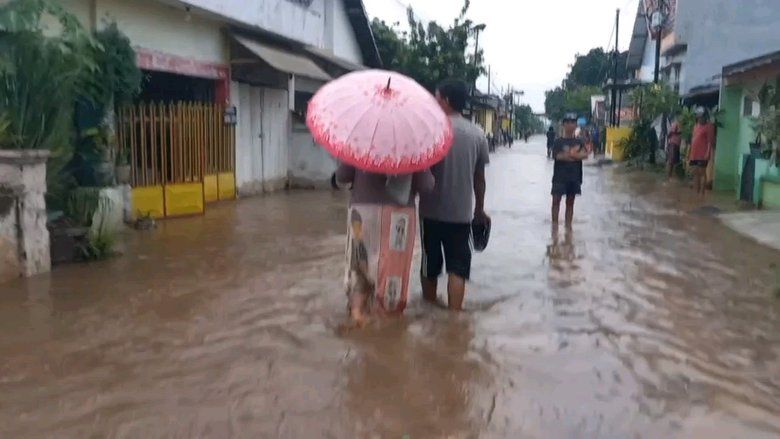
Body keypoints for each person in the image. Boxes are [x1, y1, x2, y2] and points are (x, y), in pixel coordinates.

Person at [419, 79, 490, 311]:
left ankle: (428, 312)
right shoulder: (477, 135)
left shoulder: (429, 131)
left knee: (429, 265)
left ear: (447, 101)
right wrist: (479, 210)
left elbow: (419, 171)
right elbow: (479, 179)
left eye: (437, 97)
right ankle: (454, 320)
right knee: (457, 268)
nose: (434, 101)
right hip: (461, 215)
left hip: (430, 212)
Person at [335, 163, 434, 327]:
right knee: (392, 269)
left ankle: (357, 313)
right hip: (398, 215)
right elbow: (426, 185)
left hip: (362, 211)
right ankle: (386, 319)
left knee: (359, 262)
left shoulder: (361, 142)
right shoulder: (411, 147)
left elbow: (342, 176)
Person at [551, 113, 591, 226]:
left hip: (574, 177)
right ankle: (554, 227)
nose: (570, 124)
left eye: (572, 122)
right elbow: (557, 156)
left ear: (575, 124)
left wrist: (569, 154)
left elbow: (585, 155)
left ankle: (568, 227)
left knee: (570, 203)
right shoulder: (558, 142)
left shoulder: (579, 142)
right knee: (555, 201)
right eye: (567, 122)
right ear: (563, 125)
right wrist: (574, 154)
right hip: (559, 177)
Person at [689, 107, 716, 195]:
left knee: (702, 173)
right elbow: (693, 139)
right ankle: (696, 192)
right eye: (698, 117)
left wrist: (707, 153)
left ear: (705, 117)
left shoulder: (709, 127)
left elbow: (710, 142)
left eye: (701, 117)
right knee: (695, 172)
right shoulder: (696, 126)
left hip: (702, 153)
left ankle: (702, 193)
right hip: (694, 153)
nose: (700, 118)